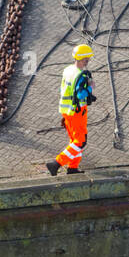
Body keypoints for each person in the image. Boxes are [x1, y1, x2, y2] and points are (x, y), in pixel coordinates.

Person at [46, 43, 95, 176]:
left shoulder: (68, 70)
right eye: (87, 59)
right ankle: (56, 163)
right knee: (80, 141)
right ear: (84, 59)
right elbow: (81, 95)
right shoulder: (82, 75)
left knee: (75, 141)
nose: (88, 61)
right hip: (77, 112)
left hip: (66, 110)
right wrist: (90, 87)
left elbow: (65, 90)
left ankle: (73, 168)